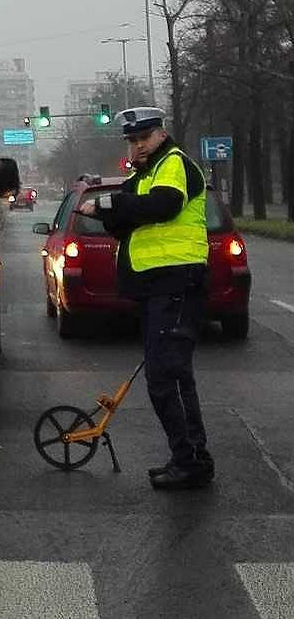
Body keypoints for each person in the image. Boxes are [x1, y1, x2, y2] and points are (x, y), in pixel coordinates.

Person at [79, 107, 213, 490]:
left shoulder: (173, 165)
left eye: (144, 138)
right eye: (132, 141)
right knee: (170, 375)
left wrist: (107, 205)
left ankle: (191, 462)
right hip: (159, 287)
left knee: (166, 376)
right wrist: (114, 210)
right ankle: (190, 458)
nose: (138, 146)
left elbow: (164, 206)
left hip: (176, 282)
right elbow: (125, 218)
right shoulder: (144, 176)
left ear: (160, 134)